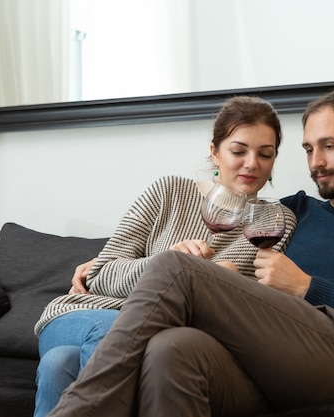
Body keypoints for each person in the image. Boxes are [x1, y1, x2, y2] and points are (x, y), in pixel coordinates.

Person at [47, 88, 334, 417]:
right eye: (308, 149)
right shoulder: (292, 212)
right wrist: (104, 266)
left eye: (329, 146)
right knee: (170, 350)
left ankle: (83, 410)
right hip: (266, 361)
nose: (316, 163)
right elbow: (225, 211)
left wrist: (308, 287)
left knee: (178, 267)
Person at [32, 96, 297, 417]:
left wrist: (218, 284)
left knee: (59, 363)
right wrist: (165, 267)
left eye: (265, 154)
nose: (252, 163)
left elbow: (247, 318)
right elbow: (101, 274)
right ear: (215, 152)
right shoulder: (168, 192)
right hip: (83, 315)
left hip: (158, 338)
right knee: (110, 331)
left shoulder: (274, 222)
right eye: (239, 151)